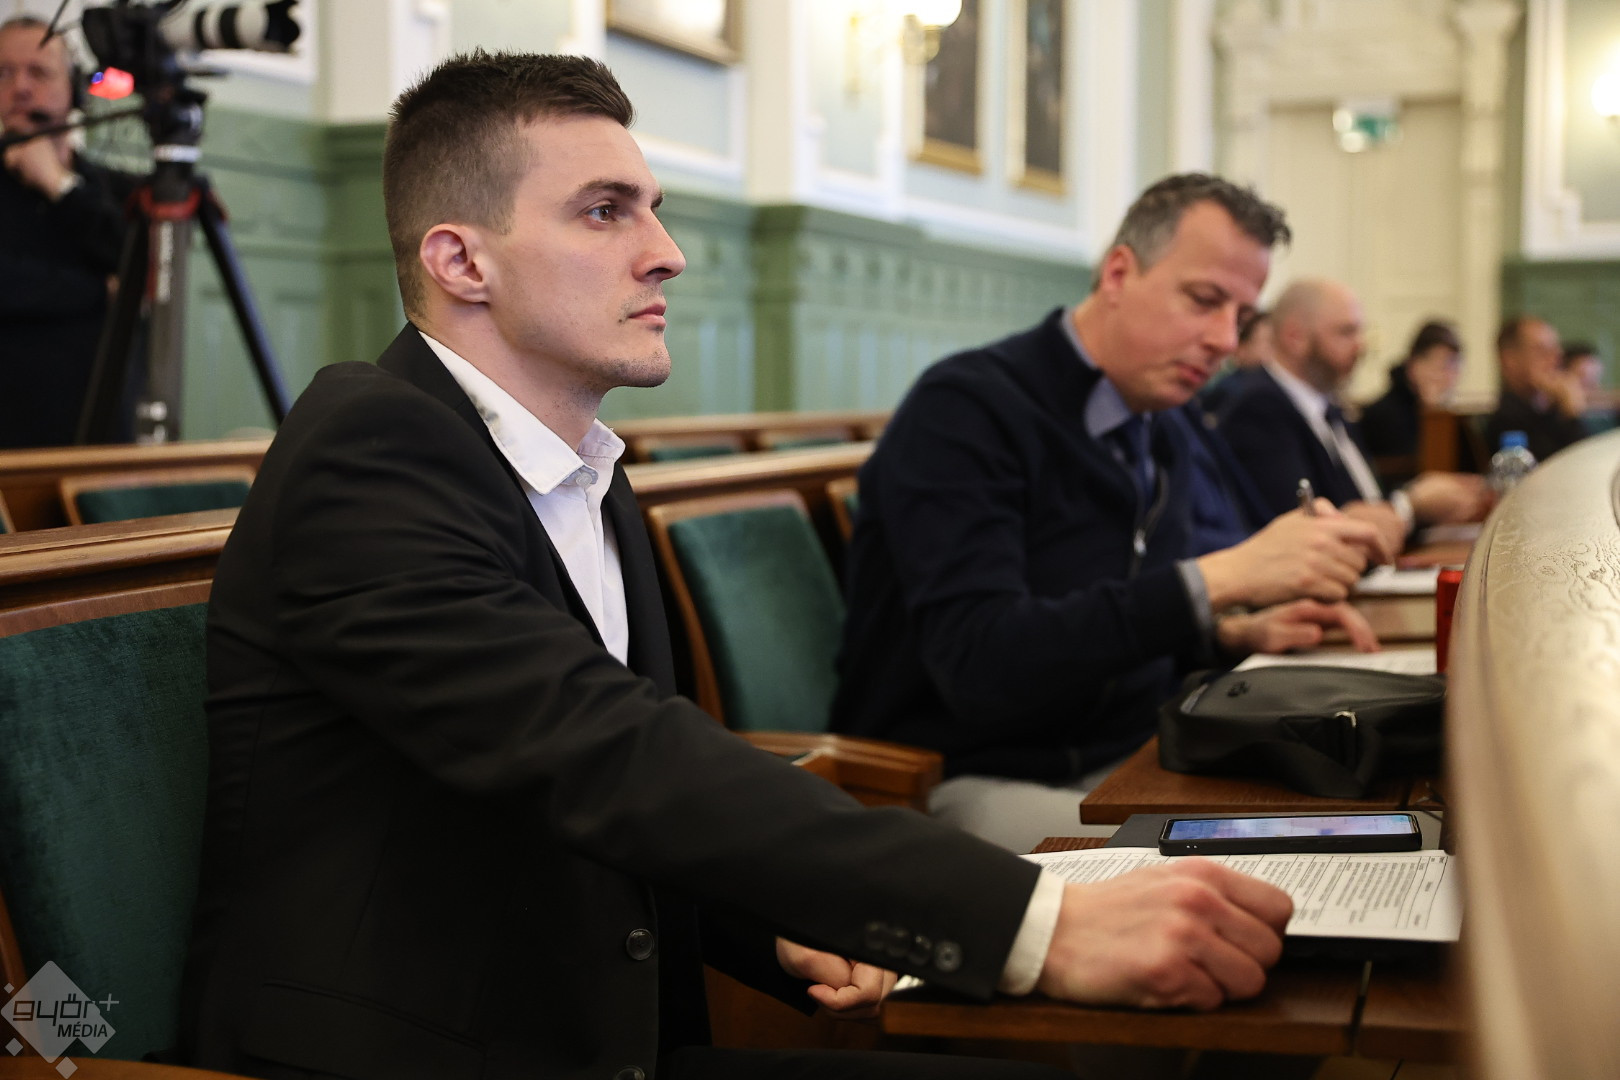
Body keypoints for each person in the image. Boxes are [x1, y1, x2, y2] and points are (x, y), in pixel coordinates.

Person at [177, 55, 1296, 1080]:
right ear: (462, 260)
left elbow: (616, 790)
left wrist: (774, 926)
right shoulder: (367, 450)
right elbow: (598, 752)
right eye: (606, 211)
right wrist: (1035, 924)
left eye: (654, 208)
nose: (666, 250)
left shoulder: (583, 467)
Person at [831, 174, 1389, 854]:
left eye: (1241, 318)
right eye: (1204, 300)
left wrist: (1229, 635)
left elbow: (1116, 625)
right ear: (1120, 273)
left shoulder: (1163, 422)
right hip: (967, 776)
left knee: (1368, 810)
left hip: (1131, 754)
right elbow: (981, 663)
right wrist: (1220, 580)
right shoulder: (967, 410)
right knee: (1266, 865)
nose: (1223, 339)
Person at [1215, 280, 1489, 557]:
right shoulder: (1258, 410)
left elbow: (1363, 500)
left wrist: (1418, 504)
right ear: (1295, 336)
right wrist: (1410, 506)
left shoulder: (1327, 406)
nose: (1361, 346)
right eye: (1346, 332)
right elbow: (1304, 532)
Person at [0, 16, 135, 448]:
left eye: (38, 72)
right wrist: (97, 291)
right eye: (4, 73)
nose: (20, 87)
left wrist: (59, 186)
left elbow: (135, 270)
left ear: (74, 87)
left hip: (103, 436)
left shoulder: (116, 190)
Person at [1358, 319, 1476, 486]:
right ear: (1414, 365)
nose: (1448, 376)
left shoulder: (1448, 414)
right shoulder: (1382, 414)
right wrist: (1432, 413)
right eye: (1441, 365)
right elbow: (1414, 473)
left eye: (1455, 366)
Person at [1485, 315, 1586, 464]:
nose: (1555, 359)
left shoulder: (1551, 411)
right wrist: (1571, 413)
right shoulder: (1504, 420)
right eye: (1542, 350)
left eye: (1556, 350)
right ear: (1509, 359)